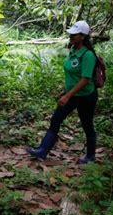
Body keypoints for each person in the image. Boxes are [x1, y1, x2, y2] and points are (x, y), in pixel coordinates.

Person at [26, 20, 98, 164]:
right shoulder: (73, 51)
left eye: (74, 34)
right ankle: (42, 151)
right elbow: (72, 75)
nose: (71, 36)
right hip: (71, 94)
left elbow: (85, 80)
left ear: (82, 36)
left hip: (85, 97)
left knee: (87, 125)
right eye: (71, 34)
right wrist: (65, 91)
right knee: (56, 119)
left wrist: (68, 95)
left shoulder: (88, 55)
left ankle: (90, 156)